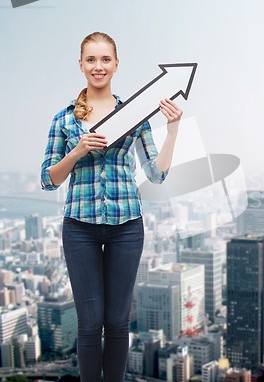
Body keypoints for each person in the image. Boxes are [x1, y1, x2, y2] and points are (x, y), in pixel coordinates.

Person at [40, 31, 182, 381]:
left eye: (105, 59)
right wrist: (78, 151)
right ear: (80, 65)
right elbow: (48, 179)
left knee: (118, 322)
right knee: (89, 325)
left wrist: (174, 128)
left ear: (116, 65)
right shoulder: (64, 120)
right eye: (91, 59)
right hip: (80, 228)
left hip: (126, 227)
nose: (98, 66)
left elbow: (157, 174)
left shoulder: (134, 114)